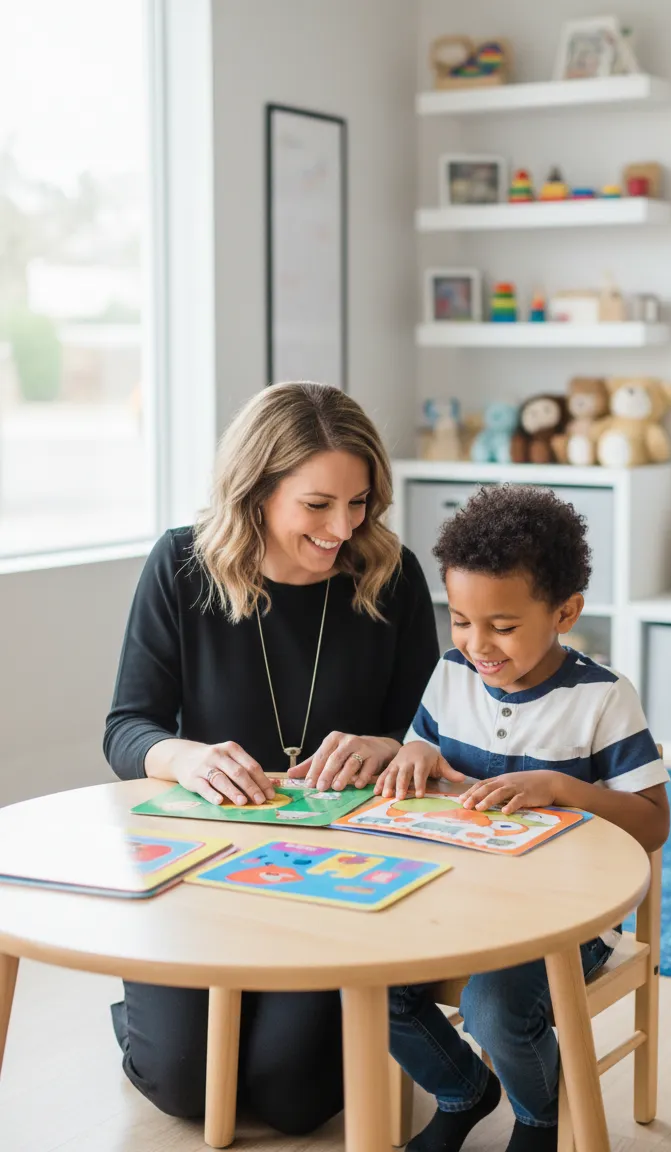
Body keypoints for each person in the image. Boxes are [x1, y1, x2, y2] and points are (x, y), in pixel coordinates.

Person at [103, 381, 439, 1135]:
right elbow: (128, 727)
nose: (343, 528)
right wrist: (183, 757)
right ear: (255, 491)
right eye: (317, 505)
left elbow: (431, 733)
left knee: (291, 1099)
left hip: (338, 876)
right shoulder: (181, 567)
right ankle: (146, 1007)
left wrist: (390, 744)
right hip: (202, 871)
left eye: (359, 503)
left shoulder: (391, 575)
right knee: (184, 1088)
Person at [378, 484, 670, 1152]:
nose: (477, 644)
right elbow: (425, 740)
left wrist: (563, 789)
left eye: (502, 627)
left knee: (494, 1007)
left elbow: (653, 823)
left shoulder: (603, 699)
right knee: (370, 981)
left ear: (565, 611)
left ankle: (542, 1117)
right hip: (454, 897)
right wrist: (415, 752)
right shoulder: (451, 676)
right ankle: (462, 1090)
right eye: (459, 619)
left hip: (565, 919)